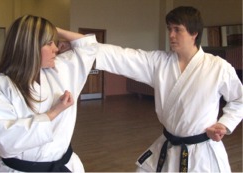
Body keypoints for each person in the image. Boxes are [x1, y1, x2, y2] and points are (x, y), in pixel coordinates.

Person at [73, 6, 243, 172]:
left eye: (177, 30)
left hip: (202, 153)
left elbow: (239, 99)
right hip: (169, 145)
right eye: (170, 29)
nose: (171, 35)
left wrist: (224, 123)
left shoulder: (218, 67)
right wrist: (75, 42)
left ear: (194, 33)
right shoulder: (160, 62)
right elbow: (121, 56)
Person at [0, 15, 97, 172]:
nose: (56, 48)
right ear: (30, 46)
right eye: (49, 43)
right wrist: (53, 112)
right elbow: (5, 140)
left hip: (66, 165)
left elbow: (88, 46)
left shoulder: (59, 70)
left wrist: (51, 30)